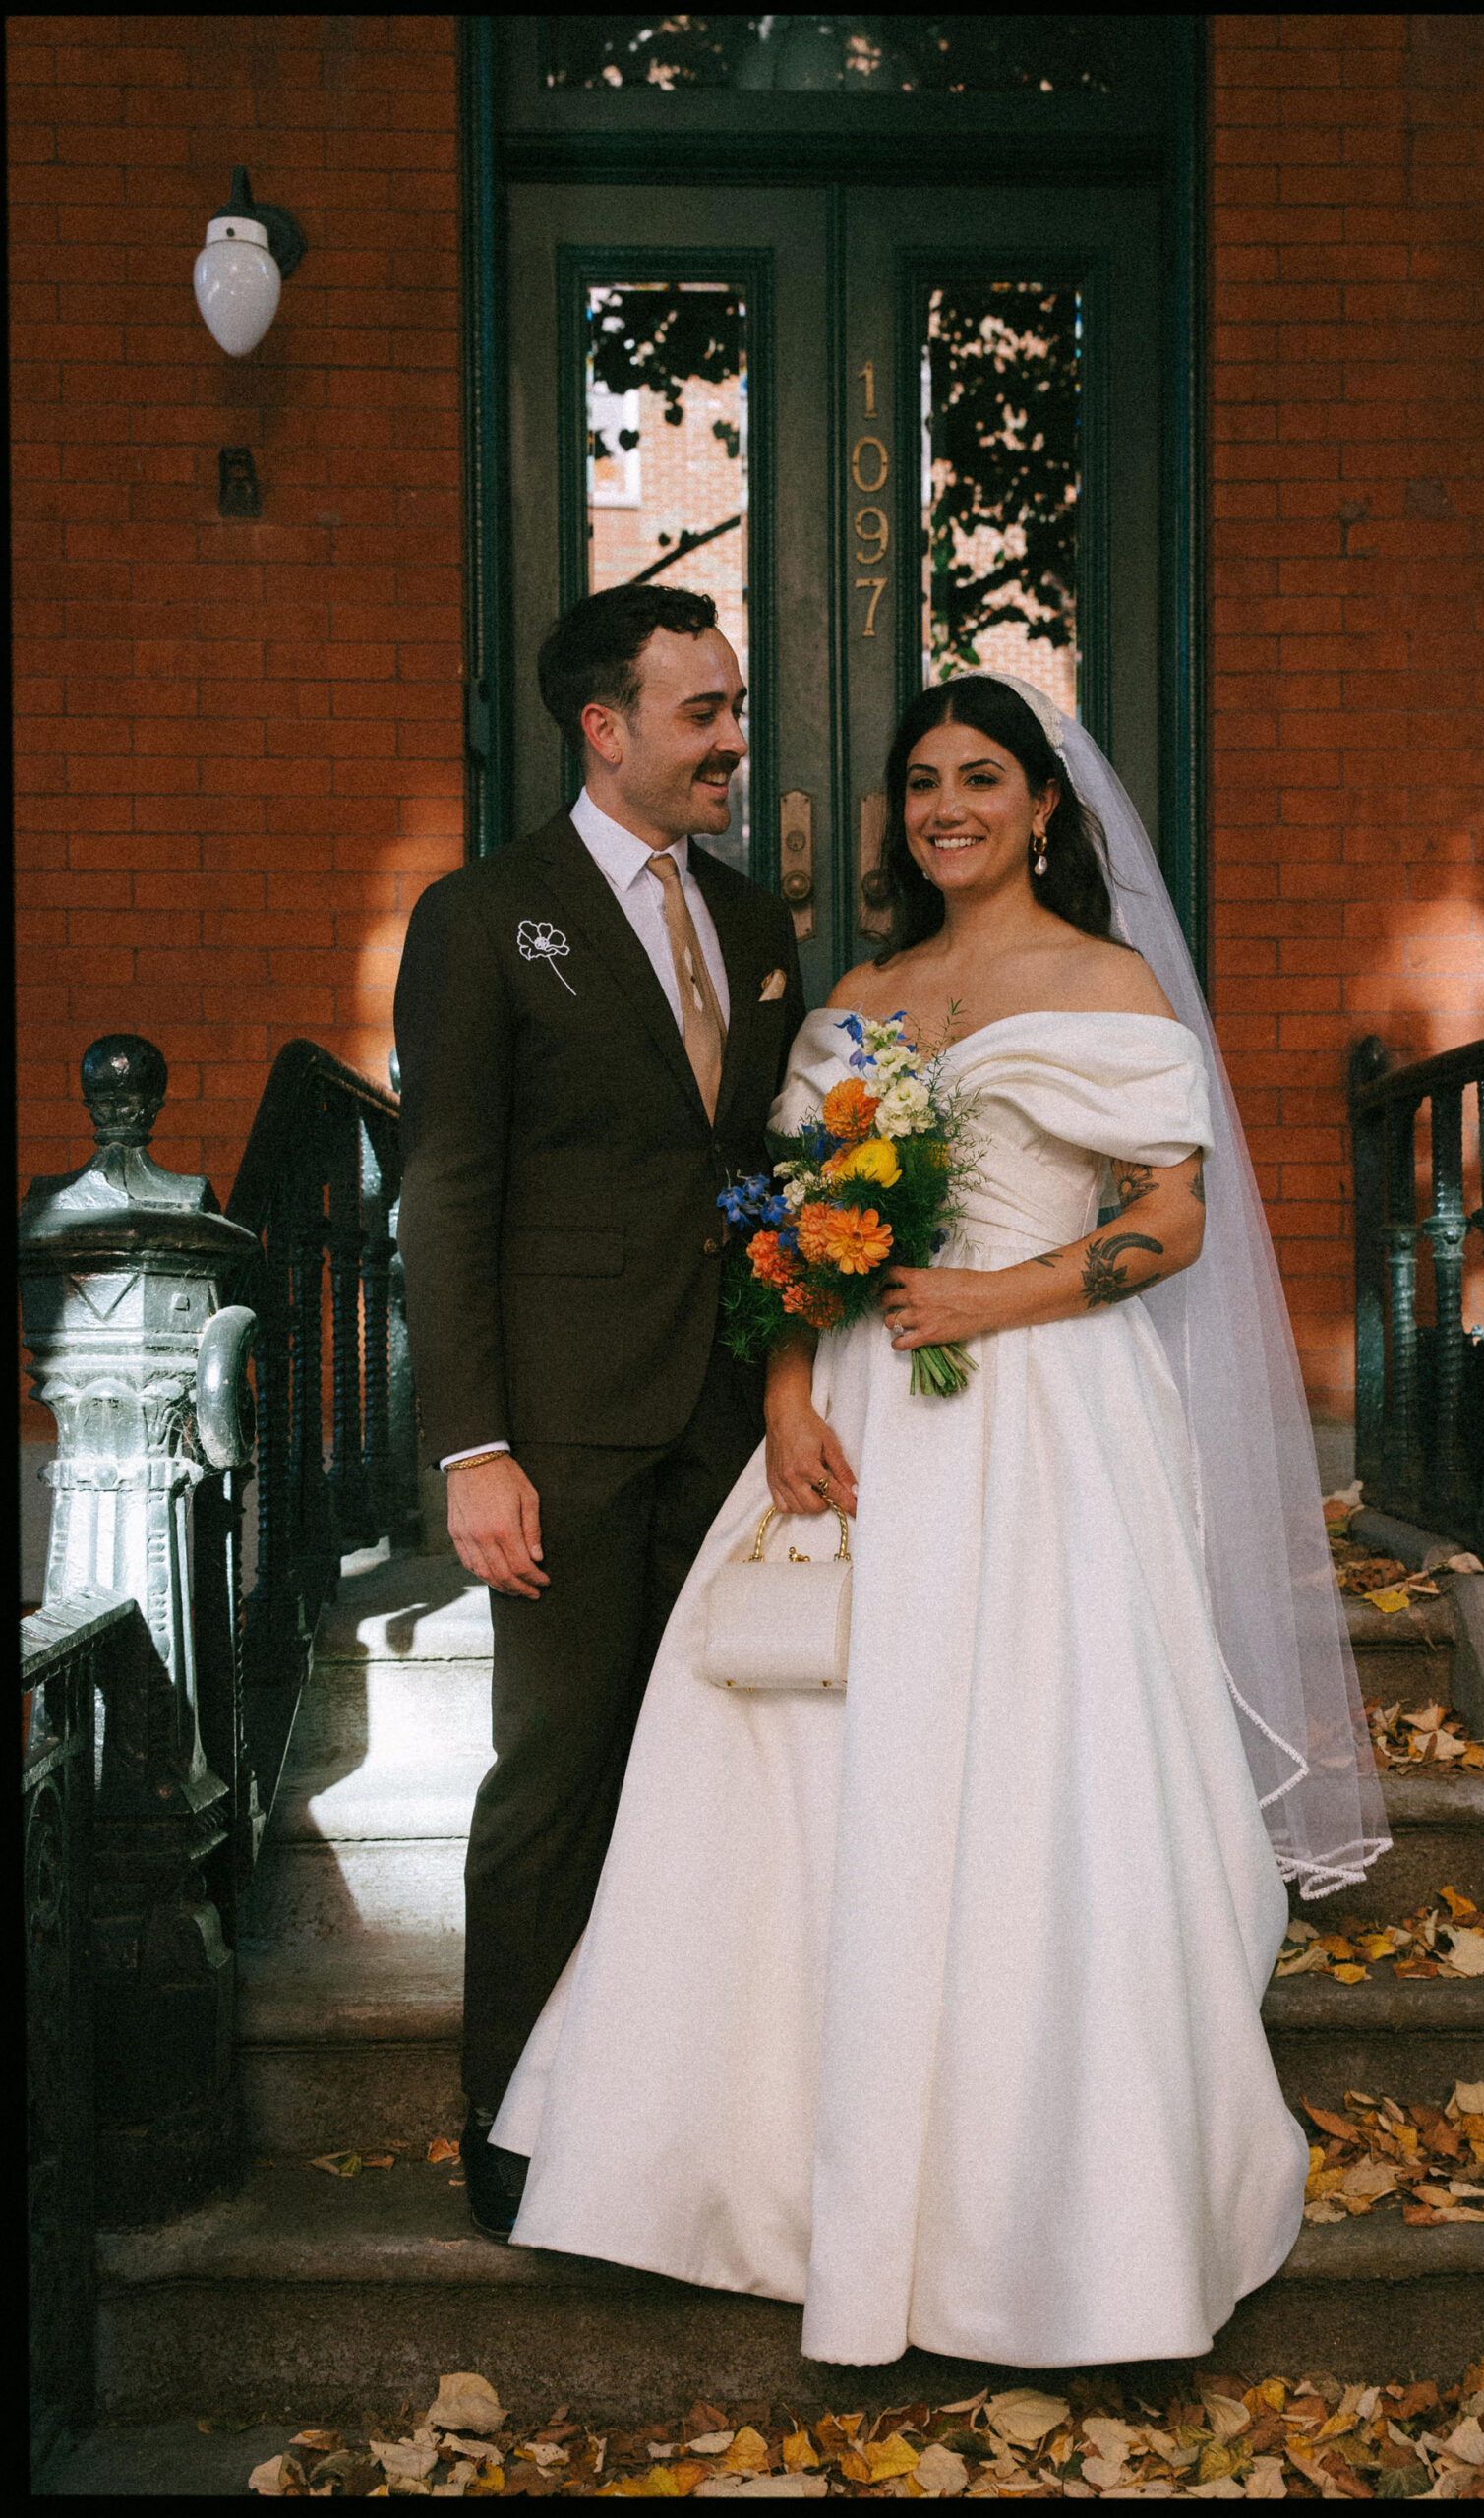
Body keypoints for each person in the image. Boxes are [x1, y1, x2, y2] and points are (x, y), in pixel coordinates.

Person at [491, 674, 1390, 2365]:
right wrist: (783, 1398)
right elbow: (788, 1226)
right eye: (920, 783)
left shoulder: (1105, 984)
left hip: (1039, 1408)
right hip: (852, 1416)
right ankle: (742, 2177)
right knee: (802, 1768)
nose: (945, 808)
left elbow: (1173, 1224)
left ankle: (1048, 2208)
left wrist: (998, 1299)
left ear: (1047, 806)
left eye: (982, 778)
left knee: (1031, 1765)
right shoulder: (863, 994)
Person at [392, 582, 807, 2238]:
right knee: (558, 1773)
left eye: (731, 706)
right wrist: (473, 1447)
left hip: (731, 1421)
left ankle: (670, 2125)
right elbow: (449, 1190)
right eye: (702, 713)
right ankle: (509, 2137)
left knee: (712, 1779)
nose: (732, 738)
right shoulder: (485, 916)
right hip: (561, 1433)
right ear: (605, 727)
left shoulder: (758, 924)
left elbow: (768, 1167)